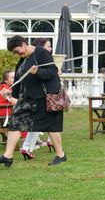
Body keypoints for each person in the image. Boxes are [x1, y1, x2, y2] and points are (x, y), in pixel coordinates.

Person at [0, 35, 67, 168]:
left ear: (24, 44)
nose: (16, 54)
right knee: (16, 123)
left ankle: (61, 155)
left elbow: (52, 73)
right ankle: (8, 156)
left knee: (51, 127)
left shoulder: (41, 53)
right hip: (27, 99)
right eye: (14, 52)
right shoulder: (23, 59)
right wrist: (11, 92)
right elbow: (20, 79)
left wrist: (38, 71)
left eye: (17, 50)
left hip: (43, 98)